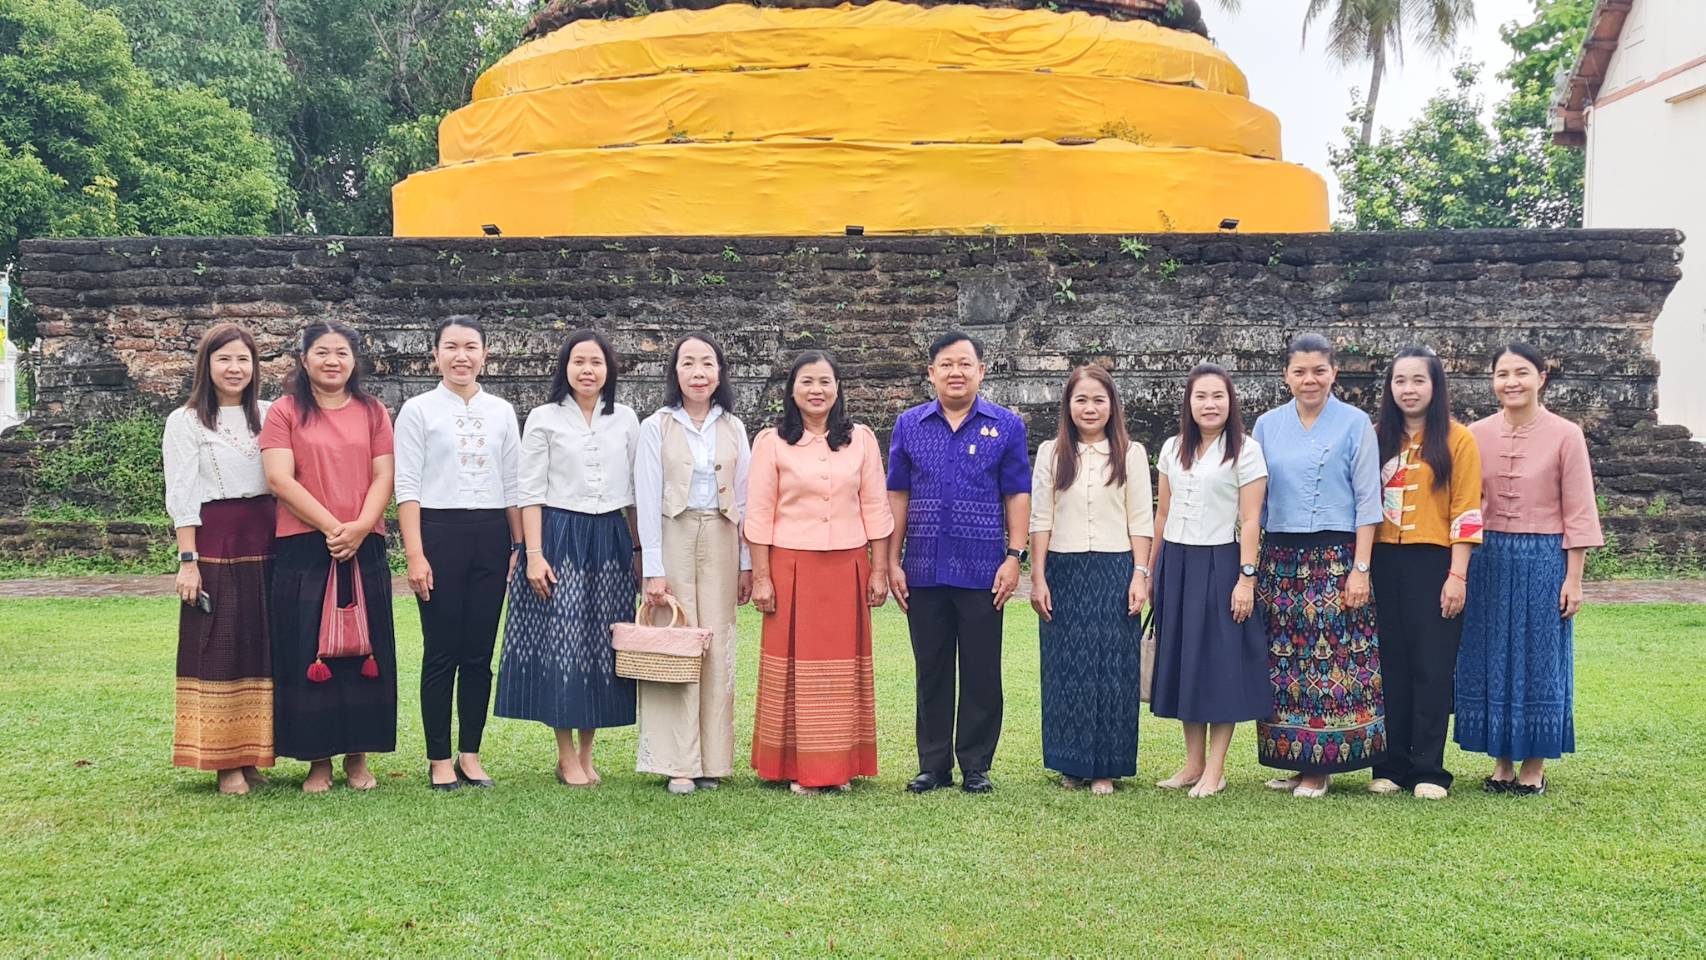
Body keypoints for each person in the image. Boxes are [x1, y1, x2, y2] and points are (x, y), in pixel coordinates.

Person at [495, 330, 642, 787]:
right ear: (565, 368)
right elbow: (530, 491)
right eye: (578, 362)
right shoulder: (543, 418)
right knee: (562, 643)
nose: (587, 370)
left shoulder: (627, 419)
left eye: (596, 362)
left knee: (602, 644)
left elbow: (637, 493)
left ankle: (587, 751)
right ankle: (563, 755)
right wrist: (533, 555)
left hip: (611, 536)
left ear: (609, 370)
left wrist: (638, 551)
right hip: (559, 534)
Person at [887, 330, 1031, 795]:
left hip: (983, 569)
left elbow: (1017, 494)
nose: (956, 372)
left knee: (982, 669)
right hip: (924, 568)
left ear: (981, 371)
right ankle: (932, 764)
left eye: (965, 363)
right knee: (930, 667)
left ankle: (975, 764)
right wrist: (892, 561)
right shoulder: (910, 425)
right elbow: (898, 496)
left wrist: (1015, 557)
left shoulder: (1006, 425)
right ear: (931, 373)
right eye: (946, 364)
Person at [1456, 343, 1603, 797]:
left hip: (1544, 559)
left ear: (1542, 376)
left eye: (1522, 372)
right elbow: (1464, 503)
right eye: (1502, 373)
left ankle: (1533, 766)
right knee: (1490, 653)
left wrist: (1573, 578)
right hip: (1488, 557)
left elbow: (1579, 510)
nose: (1511, 382)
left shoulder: (1566, 434)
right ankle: (1501, 763)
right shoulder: (1473, 434)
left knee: (1541, 657)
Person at [746, 351, 894, 794]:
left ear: (837, 388)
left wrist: (879, 569)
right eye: (807, 381)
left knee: (841, 669)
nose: (817, 390)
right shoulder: (771, 442)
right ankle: (794, 767)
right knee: (793, 668)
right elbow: (758, 514)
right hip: (791, 567)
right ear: (792, 390)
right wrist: (761, 576)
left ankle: (839, 765)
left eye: (825, 381)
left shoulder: (861, 440)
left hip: (847, 565)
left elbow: (875, 508)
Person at [260, 321, 397, 793]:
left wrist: (359, 528)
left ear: (354, 361)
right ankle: (317, 761)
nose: (332, 360)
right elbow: (280, 478)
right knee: (306, 650)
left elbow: (384, 476)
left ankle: (357, 759)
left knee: (365, 650)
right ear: (304, 359)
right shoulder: (284, 412)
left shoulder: (373, 411)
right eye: (322, 352)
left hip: (366, 543)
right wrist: (331, 527)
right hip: (304, 545)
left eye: (341, 352)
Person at [1251, 333, 1385, 798]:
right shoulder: (1267, 426)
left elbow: (1369, 500)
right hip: (1279, 558)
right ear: (1286, 375)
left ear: (1334, 373)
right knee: (1282, 663)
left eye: (1319, 370)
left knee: (1328, 662)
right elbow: (1256, 500)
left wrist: (1361, 568)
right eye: (1299, 371)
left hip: (1336, 556)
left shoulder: (1355, 423)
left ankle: (1320, 767)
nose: (1310, 380)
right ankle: (1291, 757)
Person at [394, 319, 522, 791]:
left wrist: (517, 546)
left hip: (490, 535)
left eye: (471, 347)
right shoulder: (418, 410)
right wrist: (415, 554)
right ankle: (439, 758)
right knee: (441, 652)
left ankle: (470, 753)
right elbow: (407, 486)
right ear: (435, 355)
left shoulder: (502, 411)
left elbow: (513, 484)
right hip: (438, 534)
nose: (461, 356)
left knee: (478, 654)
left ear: (486, 355)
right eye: (451, 347)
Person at [634, 331, 753, 794]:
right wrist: (653, 567)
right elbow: (646, 500)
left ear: (719, 372)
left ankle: (715, 761)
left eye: (707, 362)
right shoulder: (657, 426)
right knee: (677, 643)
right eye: (688, 363)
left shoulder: (734, 427)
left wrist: (746, 563)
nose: (698, 372)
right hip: (674, 533)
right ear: (675, 372)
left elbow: (743, 499)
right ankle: (677, 761)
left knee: (718, 644)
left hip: (723, 535)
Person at [162, 323, 277, 795]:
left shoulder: (271, 414)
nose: (235, 369)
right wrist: (189, 560)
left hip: (270, 537)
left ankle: (253, 755)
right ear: (206, 365)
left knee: (263, 641)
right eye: (225, 359)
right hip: (217, 541)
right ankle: (223, 760)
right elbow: (183, 493)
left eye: (244, 360)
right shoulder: (186, 421)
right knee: (220, 642)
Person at [1029, 365, 1152, 796]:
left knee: (1112, 668)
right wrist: (1038, 577)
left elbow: (1141, 518)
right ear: (1068, 405)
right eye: (1081, 399)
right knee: (1067, 667)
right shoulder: (1051, 452)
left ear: (1111, 405)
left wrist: (1141, 574)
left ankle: (1106, 766)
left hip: (1115, 567)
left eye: (1099, 399)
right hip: (1063, 569)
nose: (1090, 408)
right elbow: (1041, 517)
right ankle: (1072, 763)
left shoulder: (1130, 453)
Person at [1147, 363, 1268, 799]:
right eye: (1201, 396)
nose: (1209, 404)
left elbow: (1251, 518)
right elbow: (1162, 513)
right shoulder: (1172, 447)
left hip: (1222, 562)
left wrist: (1246, 578)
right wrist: (1151, 572)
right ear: (1189, 402)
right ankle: (1193, 762)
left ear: (1230, 401)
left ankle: (1215, 769)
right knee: (1184, 660)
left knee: (1219, 664)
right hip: (1176, 562)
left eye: (1218, 396)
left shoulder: (1247, 451)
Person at [1369, 346, 1483, 800]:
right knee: (1389, 664)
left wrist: (1457, 576)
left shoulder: (1457, 440)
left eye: (1418, 380)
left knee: (1431, 666)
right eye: (1400, 380)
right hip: (1382, 560)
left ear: (1434, 386)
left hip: (1434, 562)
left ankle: (1428, 769)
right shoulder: (1376, 437)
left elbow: (1466, 510)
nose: (1409, 389)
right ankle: (1390, 765)